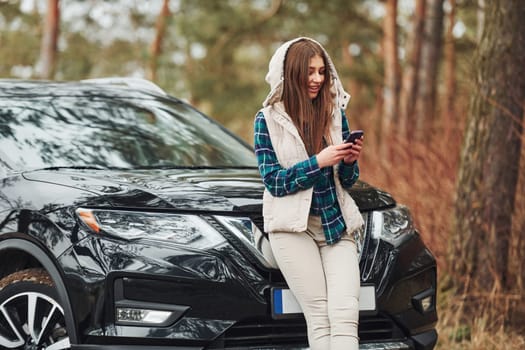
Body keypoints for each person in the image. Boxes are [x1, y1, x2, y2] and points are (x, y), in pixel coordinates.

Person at [253, 37, 365, 350]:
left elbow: (347, 180)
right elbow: (274, 181)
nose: (317, 79)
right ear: (291, 74)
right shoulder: (266, 121)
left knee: (344, 315)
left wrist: (349, 162)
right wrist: (318, 162)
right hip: (292, 229)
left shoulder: (333, 114)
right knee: (319, 317)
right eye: (309, 72)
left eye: (321, 72)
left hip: (335, 225)